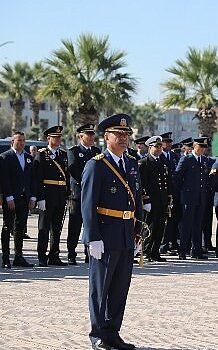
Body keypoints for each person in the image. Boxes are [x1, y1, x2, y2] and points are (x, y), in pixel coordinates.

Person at [82, 113, 141, 350]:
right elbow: (87, 205)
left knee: (119, 288)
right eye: (119, 134)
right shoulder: (96, 165)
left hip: (126, 234)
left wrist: (137, 233)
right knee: (100, 287)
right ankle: (97, 334)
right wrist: (92, 237)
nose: (124, 138)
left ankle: (112, 331)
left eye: (126, 134)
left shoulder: (133, 164)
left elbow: (135, 199)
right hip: (105, 236)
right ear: (106, 137)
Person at [34, 125, 70, 267]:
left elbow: (66, 176)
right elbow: (38, 178)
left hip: (60, 195)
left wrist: (66, 193)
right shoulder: (42, 154)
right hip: (47, 195)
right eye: (55, 137)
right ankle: (42, 256)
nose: (58, 139)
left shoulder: (63, 155)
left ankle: (54, 255)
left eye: (59, 137)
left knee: (57, 227)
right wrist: (40, 197)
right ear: (48, 138)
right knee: (44, 227)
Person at [0, 131, 35, 268]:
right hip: (11, 198)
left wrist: (32, 196)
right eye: (19, 140)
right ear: (12, 142)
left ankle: (18, 256)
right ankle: (5, 258)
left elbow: (32, 179)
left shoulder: (28, 158)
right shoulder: (5, 157)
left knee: (20, 229)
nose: (21, 143)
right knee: (7, 227)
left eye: (23, 140)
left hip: (24, 198)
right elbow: (4, 179)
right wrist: (8, 197)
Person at [67, 124, 101, 265]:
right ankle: (71, 253)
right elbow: (73, 170)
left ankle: (88, 253)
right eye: (89, 134)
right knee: (75, 225)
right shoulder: (74, 151)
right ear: (81, 136)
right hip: (79, 194)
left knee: (90, 224)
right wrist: (88, 183)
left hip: (94, 195)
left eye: (93, 134)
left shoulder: (96, 151)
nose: (92, 137)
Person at [174, 136, 210, 260]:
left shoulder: (204, 160)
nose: (202, 149)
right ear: (194, 145)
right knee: (186, 225)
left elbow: (205, 179)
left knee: (198, 225)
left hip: (200, 197)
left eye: (204, 147)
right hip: (188, 198)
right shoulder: (186, 159)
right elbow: (177, 177)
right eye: (200, 146)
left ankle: (196, 250)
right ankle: (182, 251)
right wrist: (183, 192)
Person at [138, 136, 172, 262]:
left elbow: (167, 183)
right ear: (150, 147)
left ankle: (155, 251)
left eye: (160, 146)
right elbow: (142, 184)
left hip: (162, 201)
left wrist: (169, 199)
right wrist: (145, 200)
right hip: (151, 201)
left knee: (160, 227)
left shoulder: (163, 163)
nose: (158, 149)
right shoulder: (144, 163)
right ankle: (146, 250)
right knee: (150, 227)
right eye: (156, 147)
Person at [160, 131, 181, 255]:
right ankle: (163, 245)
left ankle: (171, 242)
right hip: (163, 193)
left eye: (170, 142)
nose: (168, 144)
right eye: (166, 142)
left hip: (174, 193)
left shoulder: (174, 157)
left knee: (173, 219)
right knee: (164, 220)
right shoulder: (159, 157)